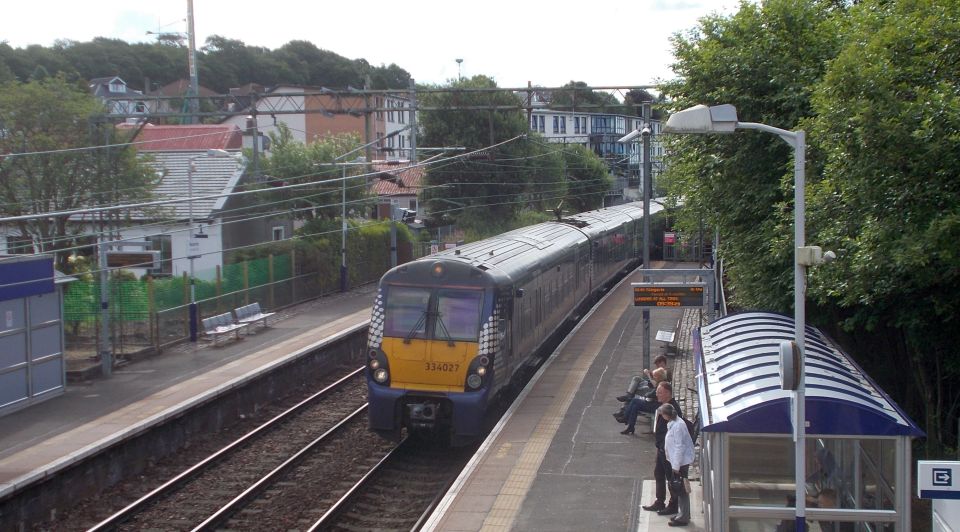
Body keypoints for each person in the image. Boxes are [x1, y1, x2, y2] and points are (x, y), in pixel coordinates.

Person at [639, 382, 683, 517]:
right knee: (659, 473)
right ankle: (660, 501)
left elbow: (674, 432)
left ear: (668, 393)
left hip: (668, 451)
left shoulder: (672, 409)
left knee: (671, 478)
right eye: (657, 391)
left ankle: (673, 504)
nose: (657, 394)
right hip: (662, 449)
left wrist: (666, 448)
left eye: (660, 392)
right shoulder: (663, 406)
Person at [660, 402, 695, 527]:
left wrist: (676, 466)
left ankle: (683, 516)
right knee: (681, 490)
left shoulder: (678, 426)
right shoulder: (675, 423)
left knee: (681, 489)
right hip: (678, 461)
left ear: (666, 415)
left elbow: (680, 446)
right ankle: (683, 514)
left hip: (680, 463)